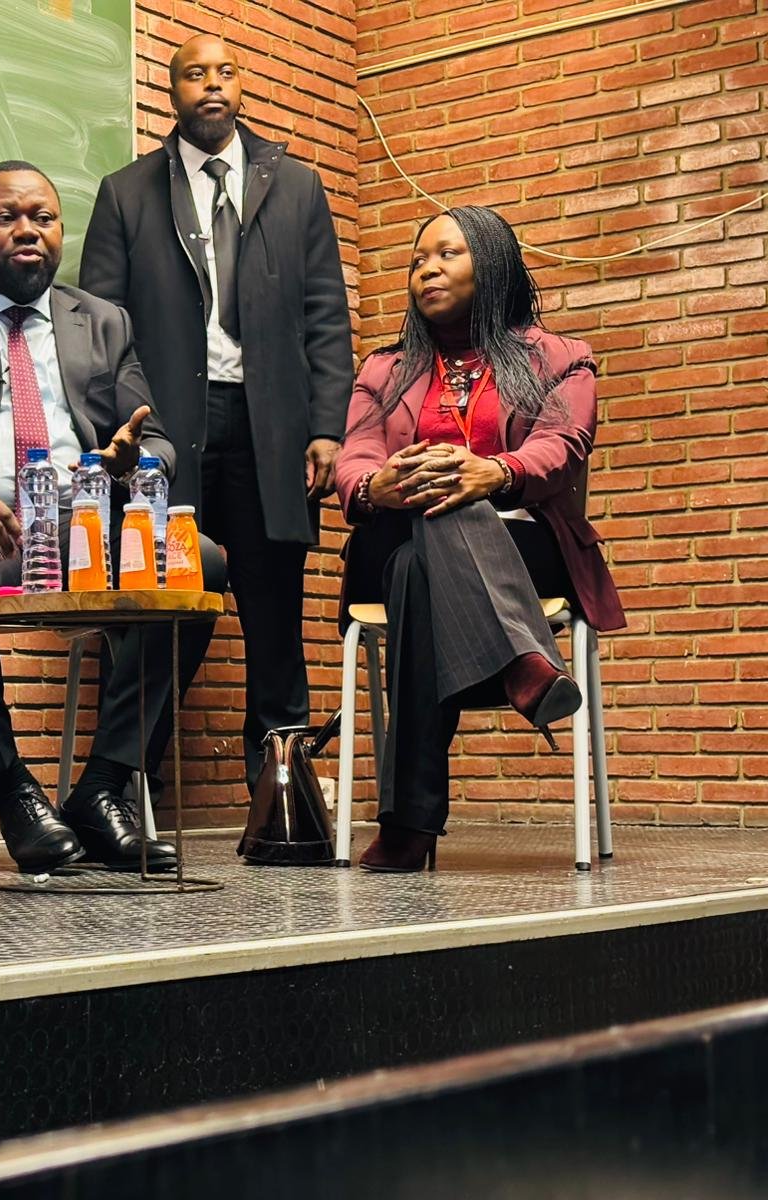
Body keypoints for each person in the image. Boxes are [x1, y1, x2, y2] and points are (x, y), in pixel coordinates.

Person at [0, 161, 225, 874]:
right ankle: (12, 786)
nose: (28, 230)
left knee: (200, 561)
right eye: (7, 217)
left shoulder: (103, 321)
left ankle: (105, 786)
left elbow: (155, 438)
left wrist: (131, 463)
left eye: (43, 218)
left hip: (78, 529)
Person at [80, 33, 353, 803]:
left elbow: (326, 315)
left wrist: (326, 427)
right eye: (194, 73)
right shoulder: (127, 193)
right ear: (171, 91)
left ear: (241, 86)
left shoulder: (297, 186)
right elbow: (99, 327)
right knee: (158, 597)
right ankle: (125, 787)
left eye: (225, 71)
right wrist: (124, 429)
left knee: (275, 608)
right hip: (166, 430)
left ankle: (281, 787)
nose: (211, 84)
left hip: (273, 428)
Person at [333, 205, 626, 872]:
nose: (427, 270)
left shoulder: (560, 359)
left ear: (491, 264)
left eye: (447, 254)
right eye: (418, 260)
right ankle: (523, 661)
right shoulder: (384, 369)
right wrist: (377, 486)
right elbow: (356, 457)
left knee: (420, 566)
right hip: (396, 530)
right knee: (431, 509)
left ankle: (408, 825)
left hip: (523, 543)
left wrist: (494, 473)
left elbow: (563, 445)